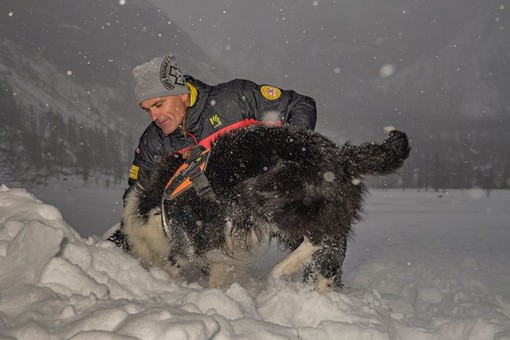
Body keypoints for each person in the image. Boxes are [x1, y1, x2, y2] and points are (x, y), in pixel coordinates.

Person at [126, 53, 317, 195]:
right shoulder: (152, 142)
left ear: (183, 95)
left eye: (158, 104)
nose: (153, 116)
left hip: (268, 198)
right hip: (210, 230)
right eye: (147, 109)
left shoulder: (234, 99)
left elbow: (300, 104)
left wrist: (291, 155)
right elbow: (136, 196)